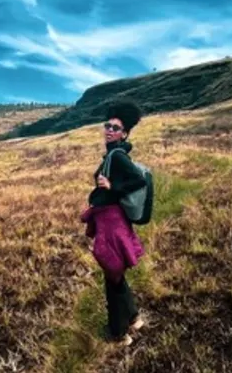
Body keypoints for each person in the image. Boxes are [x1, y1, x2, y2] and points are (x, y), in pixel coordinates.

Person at [80, 100, 148, 346]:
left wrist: (113, 187)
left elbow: (139, 181)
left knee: (112, 275)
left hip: (112, 224)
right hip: (109, 220)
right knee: (115, 273)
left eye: (116, 128)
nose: (109, 130)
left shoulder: (118, 156)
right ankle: (132, 317)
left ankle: (118, 333)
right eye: (107, 125)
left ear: (125, 133)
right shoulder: (112, 155)